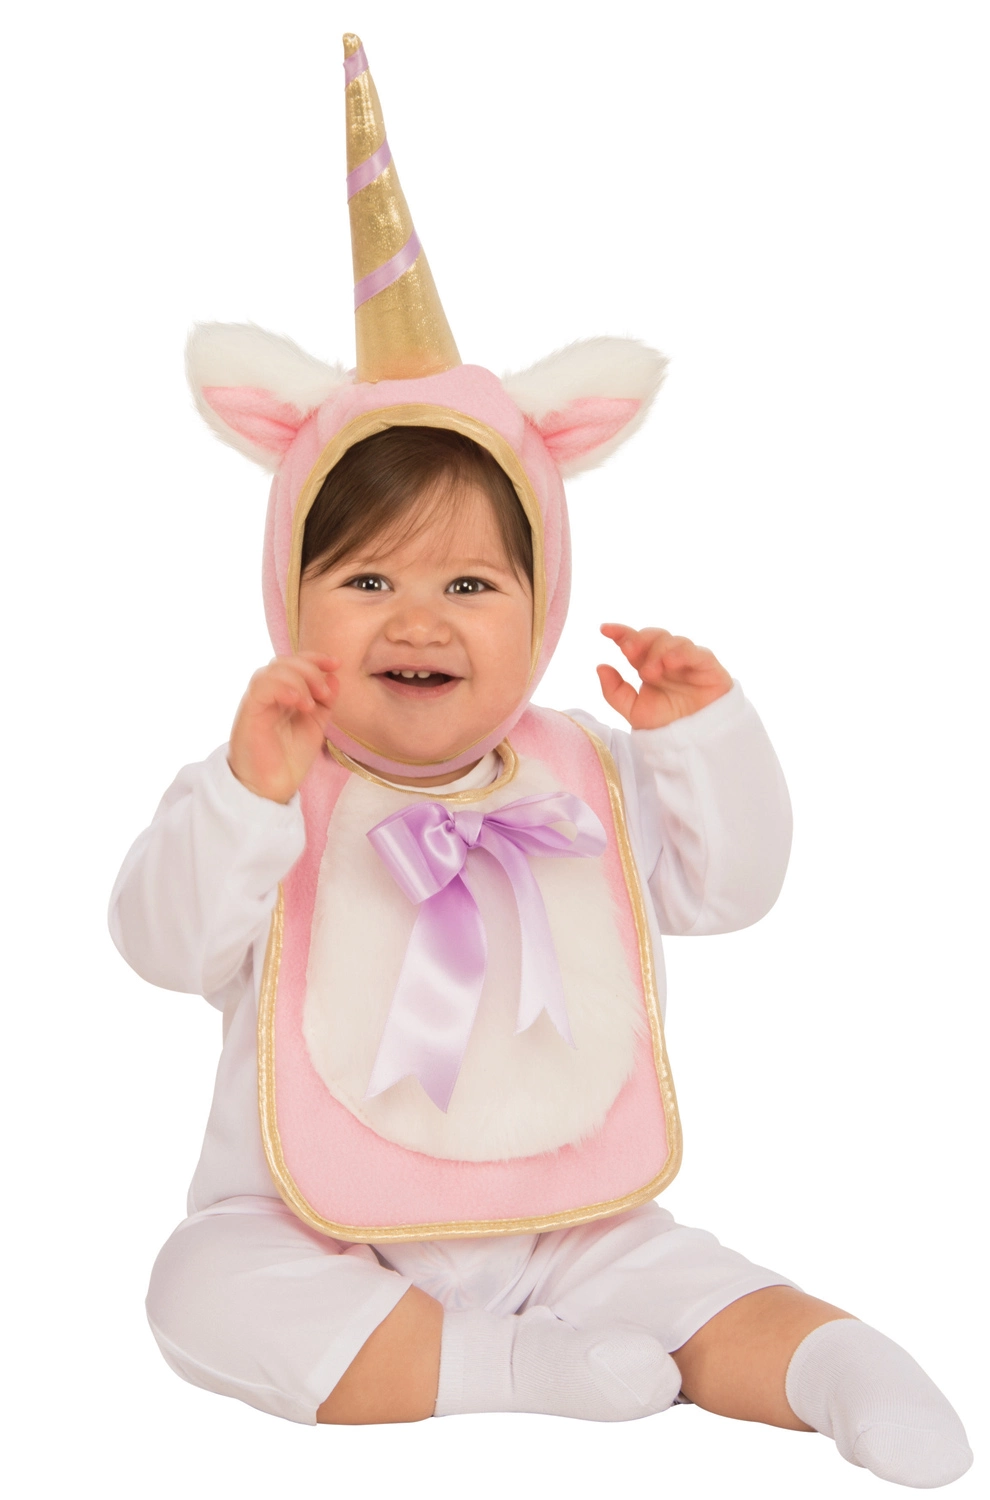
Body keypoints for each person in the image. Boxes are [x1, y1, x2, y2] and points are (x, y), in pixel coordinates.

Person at [109, 34, 972, 1488]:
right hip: (312, 1222)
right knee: (199, 1286)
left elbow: (733, 889)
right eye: (366, 582)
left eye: (470, 584)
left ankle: (832, 1362)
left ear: (544, 604)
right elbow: (157, 940)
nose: (419, 621)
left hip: (571, 1214)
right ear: (289, 601)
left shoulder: (586, 778)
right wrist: (246, 792)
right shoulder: (270, 780)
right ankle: (508, 1370)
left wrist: (699, 735)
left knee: (679, 1273)